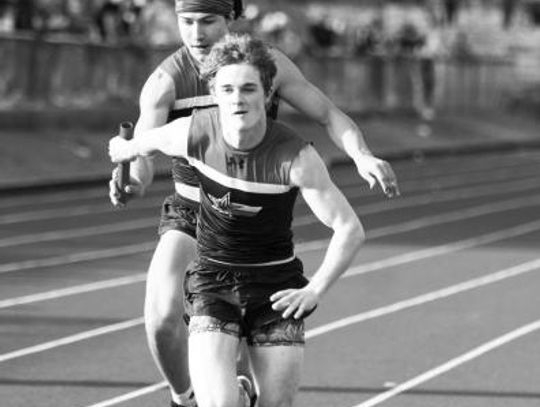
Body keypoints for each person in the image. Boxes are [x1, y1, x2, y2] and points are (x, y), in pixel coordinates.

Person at [108, 1, 398, 406]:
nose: (196, 34)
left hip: (253, 207)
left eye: (207, 22)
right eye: (186, 23)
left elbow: (328, 114)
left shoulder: (267, 65)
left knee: (247, 335)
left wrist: (362, 155)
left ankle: (238, 386)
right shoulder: (165, 81)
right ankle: (183, 397)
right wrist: (130, 184)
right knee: (159, 319)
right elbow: (140, 157)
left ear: (230, 19)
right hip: (193, 208)